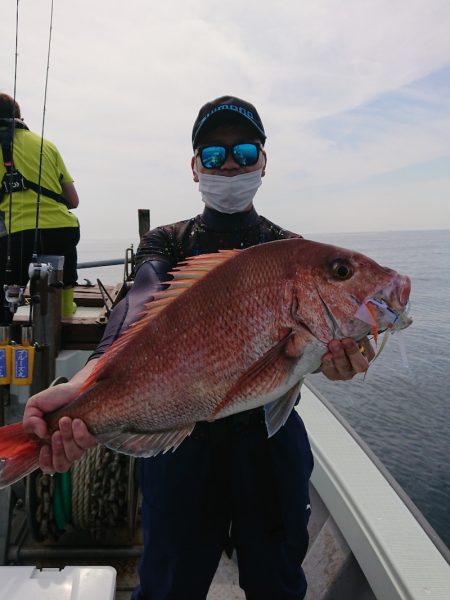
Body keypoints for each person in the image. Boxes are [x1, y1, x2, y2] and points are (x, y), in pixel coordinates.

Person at [23, 96, 374, 600]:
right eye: (213, 154)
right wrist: (86, 382)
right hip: (179, 445)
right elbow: (137, 301)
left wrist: (341, 362)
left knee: (276, 584)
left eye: (245, 150)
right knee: (168, 586)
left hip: (270, 447)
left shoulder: (290, 250)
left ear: (264, 162)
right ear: (194, 167)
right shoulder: (167, 242)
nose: (229, 163)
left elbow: (307, 351)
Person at [0, 93, 80, 323]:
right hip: (62, 232)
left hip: (17, 239)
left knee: (8, 289)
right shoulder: (47, 145)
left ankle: (8, 322)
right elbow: (73, 201)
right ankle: (66, 309)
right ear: (19, 117)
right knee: (63, 268)